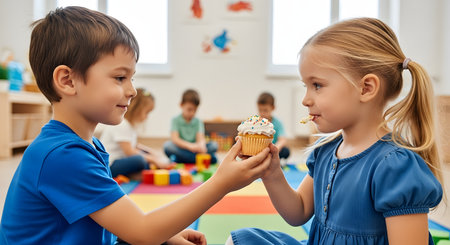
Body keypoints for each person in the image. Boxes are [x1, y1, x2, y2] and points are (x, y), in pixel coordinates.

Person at [0, 7, 273, 245]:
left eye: (131, 77)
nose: (132, 90)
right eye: (120, 77)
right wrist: (221, 183)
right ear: (68, 81)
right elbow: (142, 231)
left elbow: (115, 217)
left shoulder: (89, 145)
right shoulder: (61, 155)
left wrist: (163, 235)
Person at [227, 17, 444, 245]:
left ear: (366, 88)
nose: (305, 100)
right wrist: (271, 174)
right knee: (241, 240)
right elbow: (298, 211)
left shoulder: (396, 166)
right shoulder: (325, 151)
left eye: (317, 85)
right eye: (305, 86)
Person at [100, 88, 169, 179]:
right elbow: (130, 152)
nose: (147, 117)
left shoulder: (129, 125)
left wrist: (154, 154)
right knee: (140, 160)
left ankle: (133, 174)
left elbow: (136, 146)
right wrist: (153, 160)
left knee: (145, 160)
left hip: (121, 160)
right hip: (110, 165)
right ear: (137, 109)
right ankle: (132, 175)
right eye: (147, 112)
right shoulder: (122, 124)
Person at [164, 89, 218, 163]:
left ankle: (181, 159)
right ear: (181, 105)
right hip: (183, 148)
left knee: (214, 145)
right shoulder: (175, 120)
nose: (192, 113)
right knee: (167, 146)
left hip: (195, 150)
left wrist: (202, 145)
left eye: (195, 110)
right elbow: (175, 139)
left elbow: (200, 139)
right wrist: (190, 146)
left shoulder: (198, 121)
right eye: (189, 109)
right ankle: (203, 159)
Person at [257, 92, 290, 160]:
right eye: (260, 110)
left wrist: (274, 150)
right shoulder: (256, 122)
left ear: (273, 108)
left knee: (286, 151)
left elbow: (282, 140)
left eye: (265, 110)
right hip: (259, 149)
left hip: (273, 149)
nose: (262, 113)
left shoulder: (277, 123)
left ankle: (273, 159)